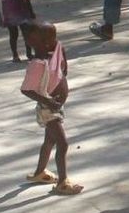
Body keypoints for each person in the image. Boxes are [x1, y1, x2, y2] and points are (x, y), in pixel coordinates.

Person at [21, 20, 83, 195]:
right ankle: (62, 183)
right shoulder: (37, 65)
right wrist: (48, 102)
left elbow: (60, 47)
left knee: (49, 141)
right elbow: (26, 90)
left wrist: (65, 65)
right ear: (32, 42)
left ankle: (39, 173)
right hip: (48, 109)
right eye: (48, 39)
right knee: (62, 144)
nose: (53, 41)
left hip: (55, 107)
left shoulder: (52, 49)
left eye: (54, 37)